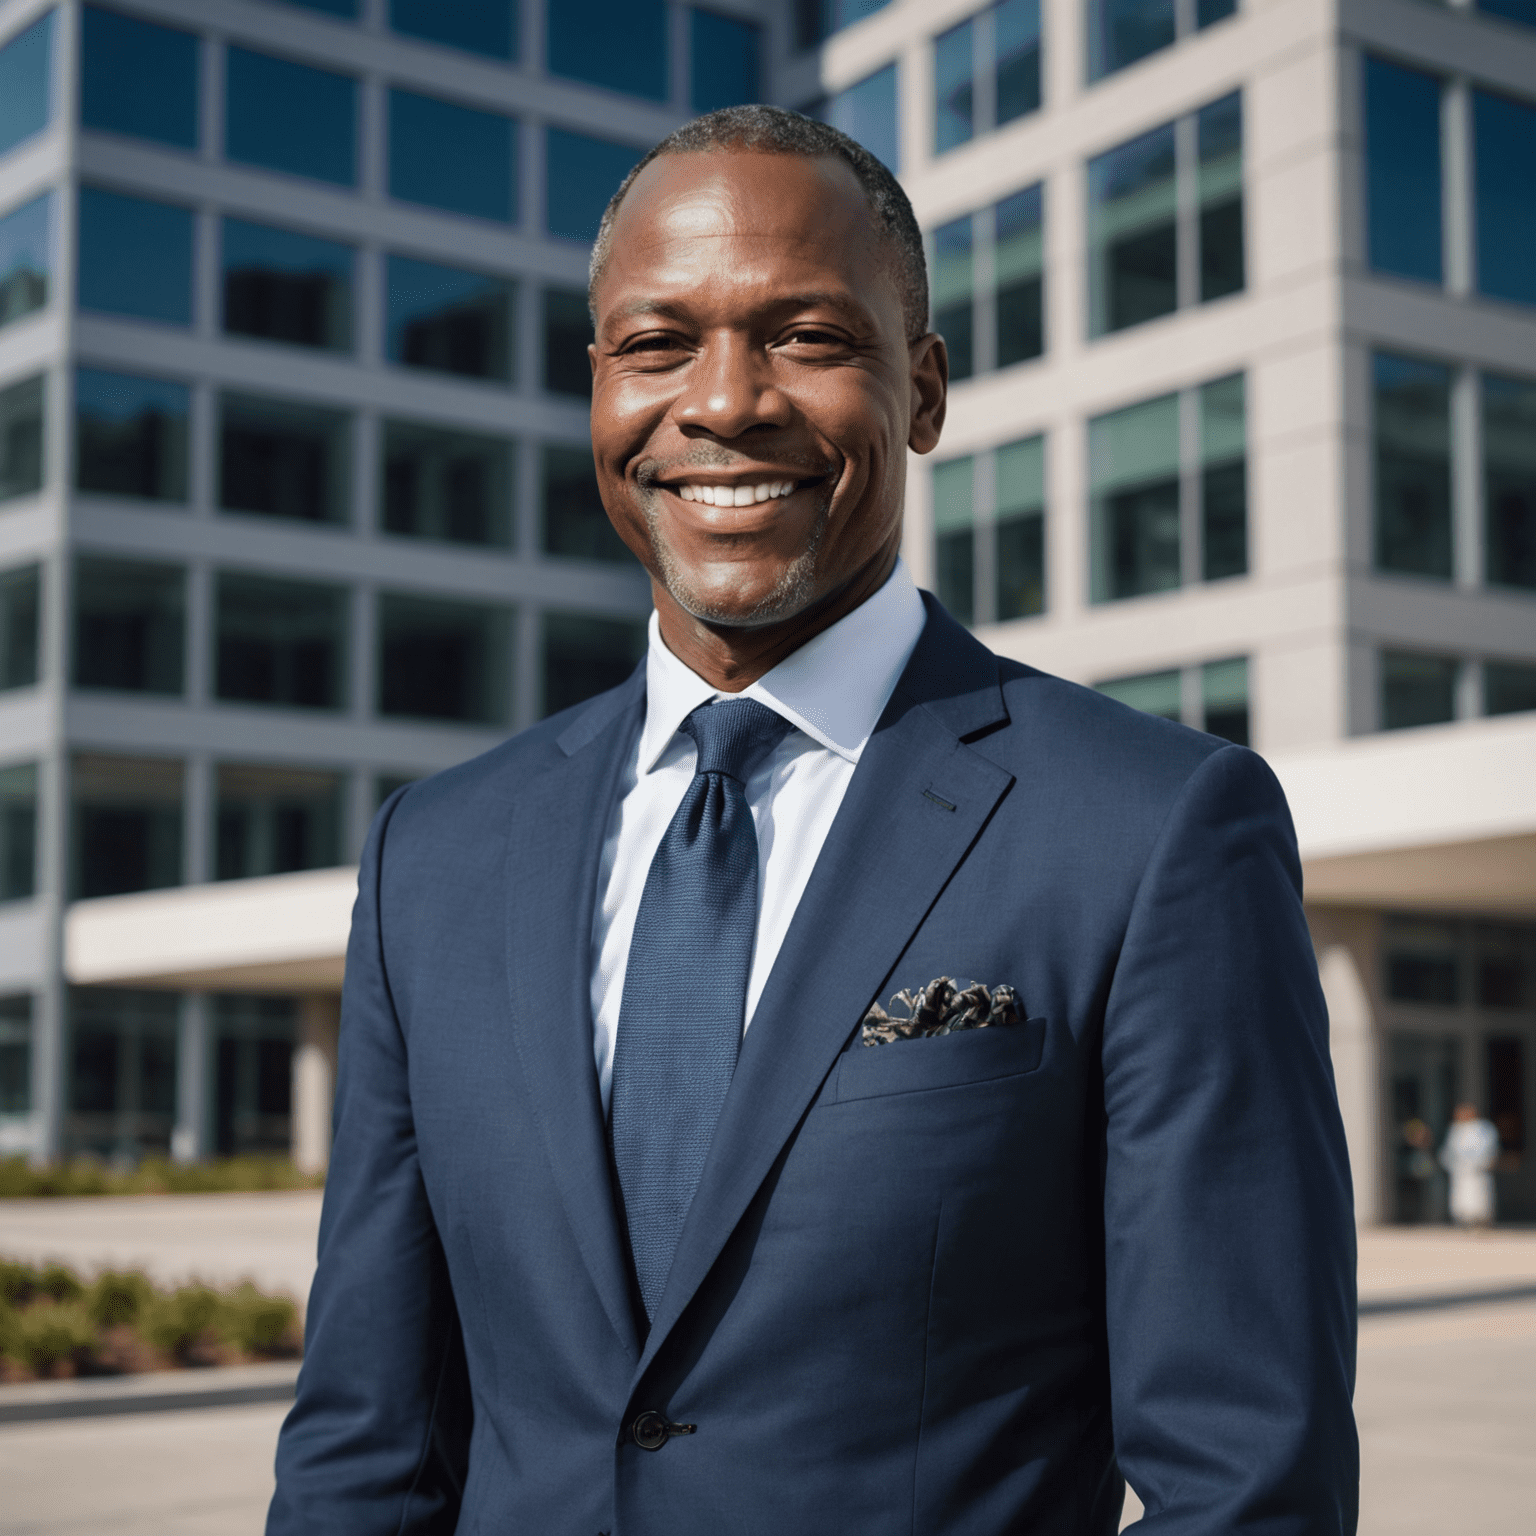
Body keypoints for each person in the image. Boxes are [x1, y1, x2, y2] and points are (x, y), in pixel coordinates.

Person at [268, 106, 1357, 1535]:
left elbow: (1249, 1482)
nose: (725, 404)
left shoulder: (1154, 834)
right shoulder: (436, 856)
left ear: (923, 391)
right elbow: (365, 1444)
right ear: (594, 385)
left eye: (807, 337)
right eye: (658, 343)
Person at [1441, 1102, 1500, 1227]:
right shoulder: (1456, 1129)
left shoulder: (1483, 1128)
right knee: (1461, 1199)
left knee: (1479, 1198)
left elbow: (1489, 1148)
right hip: (1460, 1171)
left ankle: (1481, 1222)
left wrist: (1485, 1161)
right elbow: (1449, 1150)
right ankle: (1463, 1222)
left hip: (1478, 1171)